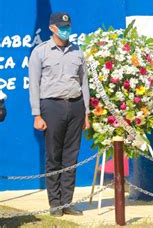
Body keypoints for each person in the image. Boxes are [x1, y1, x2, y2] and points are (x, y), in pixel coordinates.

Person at [28, 12, 90, 217]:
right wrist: (37, 114)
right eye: (61, 26)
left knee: (71, 156)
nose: (66, 29)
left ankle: (67, 202)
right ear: (52, 28)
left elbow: (84, 84)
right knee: (54, 156)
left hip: (75, 107)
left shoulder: (78, 52)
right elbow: (34, 85)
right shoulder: (40, 52)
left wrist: (86, 112)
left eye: (68, 26)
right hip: (51, 107)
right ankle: (55, 203)